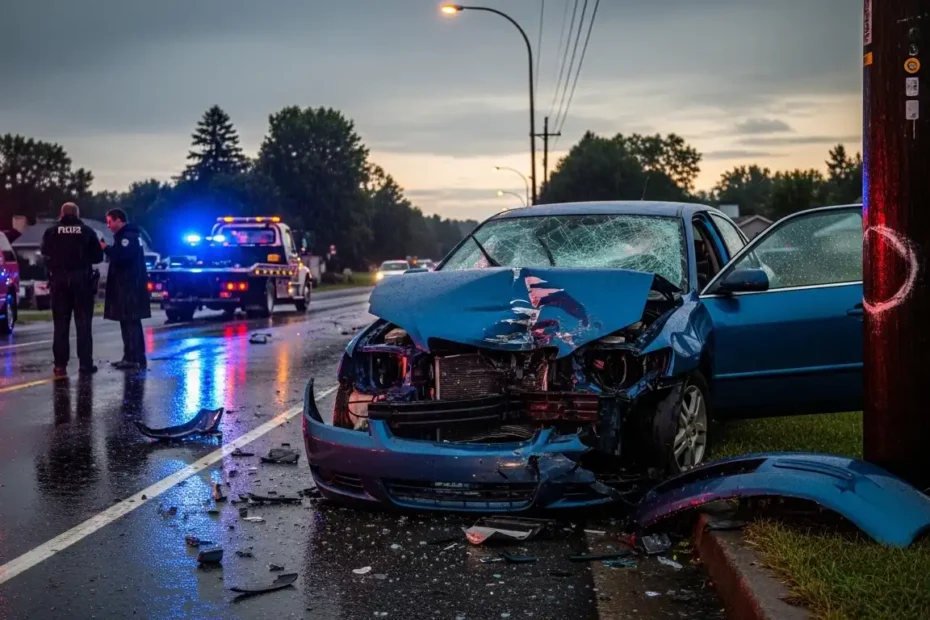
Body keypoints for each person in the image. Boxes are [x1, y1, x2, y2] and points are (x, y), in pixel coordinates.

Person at [40, 202, 104, 376]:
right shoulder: (87, 231)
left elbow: (44, 253)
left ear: (61, 214)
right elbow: (98, 257)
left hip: (59, 282)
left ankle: (60, 365)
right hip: (82, 282)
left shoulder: (52, 232)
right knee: (83, 325)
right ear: (78, 214)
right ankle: (85, 364)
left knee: (60, 325)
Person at [101, 209, 151, 370]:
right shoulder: (130, 236)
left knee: (130, 323)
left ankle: (133, 357)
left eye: (110, 221)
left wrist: (106, 248)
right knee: (130, 322)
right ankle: (133, 356)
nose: (108, 226)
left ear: (119, 220)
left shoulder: (127, 238)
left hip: (129, 287)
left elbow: (121, 258)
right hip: (130, 286)